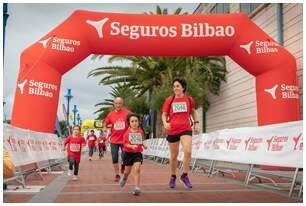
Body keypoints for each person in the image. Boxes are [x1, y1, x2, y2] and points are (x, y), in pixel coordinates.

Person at [161, 78, 200, 190]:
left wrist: (196, 123)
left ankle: (185, 175)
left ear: (183, 87)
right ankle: (173, 176)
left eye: (177, 86)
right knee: (174, 156)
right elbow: (164, 114)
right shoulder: (170, 99)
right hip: (172, 129)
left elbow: (193, 112)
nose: (175, 88)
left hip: (185, 128)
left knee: (188, 150)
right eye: (174, 86)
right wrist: (165, 122)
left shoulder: (189, 99)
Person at [119, 113, 147, 196]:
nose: (134, 123)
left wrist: (144, 144)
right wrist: (131, 146)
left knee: (137, 169)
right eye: (132, 121)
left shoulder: (140, 131)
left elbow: (141, 140)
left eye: (136, 121)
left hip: (137, 153)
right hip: (128, 154)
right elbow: (125, 144)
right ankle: (124, 177)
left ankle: (136, 187)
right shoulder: (126, 133)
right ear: (129, 123)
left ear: (138, 122)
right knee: (127, 171)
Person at [103, 97, 130, 182]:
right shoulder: (111, 114)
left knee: (125, 157)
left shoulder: (127, 112)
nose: (118, 105)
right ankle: (117, 174)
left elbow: (133, 119)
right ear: (114, 104)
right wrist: (104, 127)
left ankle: (123, 165)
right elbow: (106, 122)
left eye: (120, 103)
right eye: (116, 103)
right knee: (114, 157)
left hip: (124, 139)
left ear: (122, 104)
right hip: (114, 140)